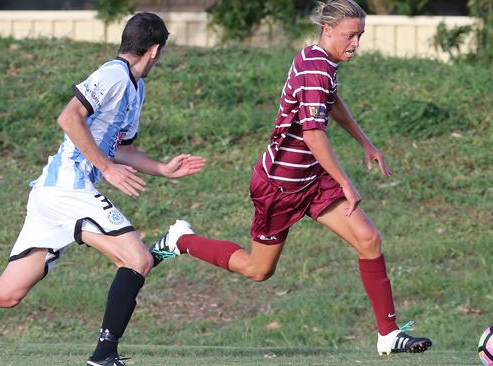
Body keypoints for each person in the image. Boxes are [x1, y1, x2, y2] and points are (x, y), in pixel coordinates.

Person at [149, 0, 432, 356]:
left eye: (360, 35)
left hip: (311, 179)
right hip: (279, 186)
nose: (356, 44)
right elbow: (313, 134)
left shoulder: (322, 60)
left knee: (368, 239)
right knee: (257, 269)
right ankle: (181, 240)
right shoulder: (315, 67)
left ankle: (388, 334)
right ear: (327, 30)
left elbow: (331, 101)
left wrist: (366, 143)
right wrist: (345, 181)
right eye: (350, 35)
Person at [0, 12, 206, 366]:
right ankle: (103, 357)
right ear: (155, 50)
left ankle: (167, 249)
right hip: (67, 188)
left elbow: (120, 146)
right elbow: (69, 116)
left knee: (8, 292)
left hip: (55, 194)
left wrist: (163, 169)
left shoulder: (135, 87)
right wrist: (106, 168)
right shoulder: (114, 75)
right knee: (135, 258)